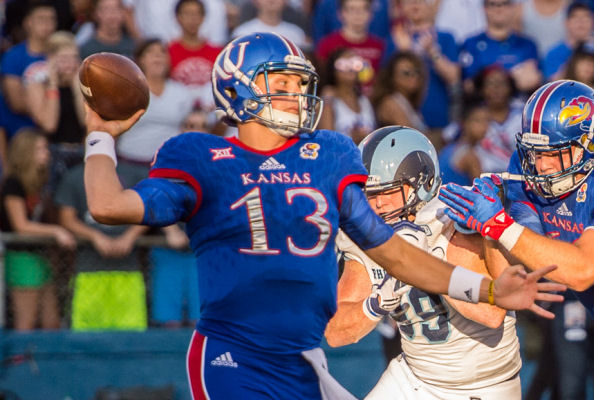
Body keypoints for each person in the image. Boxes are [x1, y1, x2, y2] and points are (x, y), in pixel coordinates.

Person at [82, 32, 563, 399]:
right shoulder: (200, 156)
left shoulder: (327, 153)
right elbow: (108, 205)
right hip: (236, 351)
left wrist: (490, 288)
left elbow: (395, 252)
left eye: (298, 83)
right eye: (282, 83)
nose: (296, 94)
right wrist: (101, 135)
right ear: (239, 90)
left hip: (304, 357)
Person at [326, 126, 522, 399]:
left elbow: (490, 314)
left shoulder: (451, 216)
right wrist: (378, 301)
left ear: (423, 185)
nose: (378, 205)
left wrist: (420, 263)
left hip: (481, 385)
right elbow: (336, 333)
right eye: (370, 194)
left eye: (388, 191)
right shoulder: (367, 233)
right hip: (414, 377)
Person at [438, 79, 594, 316]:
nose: (541, 165)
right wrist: (489, 230)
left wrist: (500, 226)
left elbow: (582, 272)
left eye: (555, 153)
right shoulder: (524, 166)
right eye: (535, 153)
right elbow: (516, 265)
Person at [0, 128, 76, 331]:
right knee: (26, 320)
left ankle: (47, 361)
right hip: (21, 257)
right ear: (26, 152)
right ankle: (20, 361)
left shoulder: (40, 182)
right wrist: (56, 232)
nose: (47, 153)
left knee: (51, 321)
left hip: (40, 256)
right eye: (40, 148)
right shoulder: (12, 184)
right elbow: (20, 225)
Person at [317, 48, 376, 144]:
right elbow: (327, 139)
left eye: (355, 63)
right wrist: (352, 138)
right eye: (343, 64)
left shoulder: (365, 100)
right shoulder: (328, 98)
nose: (350, 68)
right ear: (332, 69)